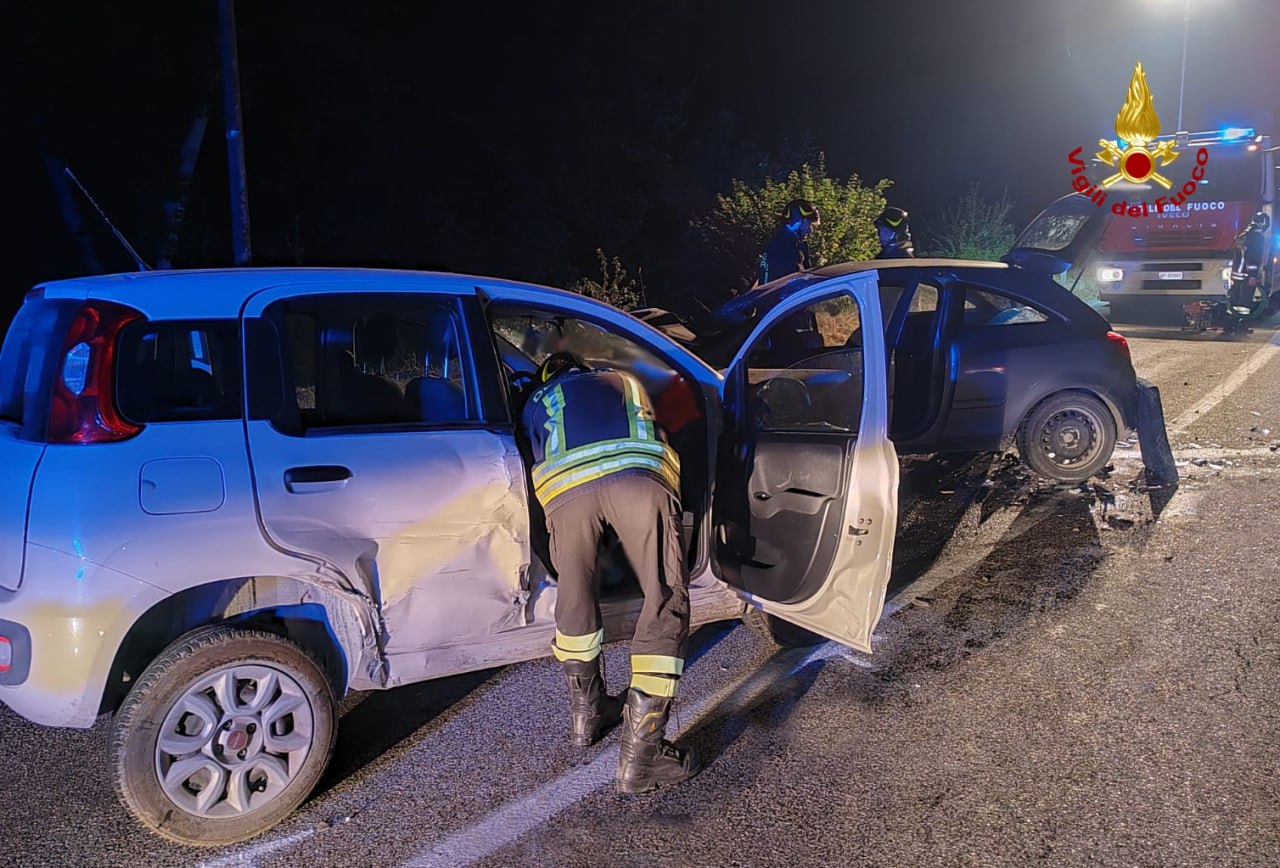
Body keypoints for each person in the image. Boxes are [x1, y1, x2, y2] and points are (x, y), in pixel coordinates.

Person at [521, 351, 700, 793]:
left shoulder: (536, 400)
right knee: (663, 598)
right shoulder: (621, 379)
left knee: (576, 599)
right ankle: (644, 757)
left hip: (567, 493)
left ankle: (588, 716)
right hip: (637, 479)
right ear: (583, 368)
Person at [756, 198, 821, 286]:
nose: (810, 230)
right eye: (808, 225)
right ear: (798, 223)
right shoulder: (785, 248)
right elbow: (792, 285)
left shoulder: (780, 242)